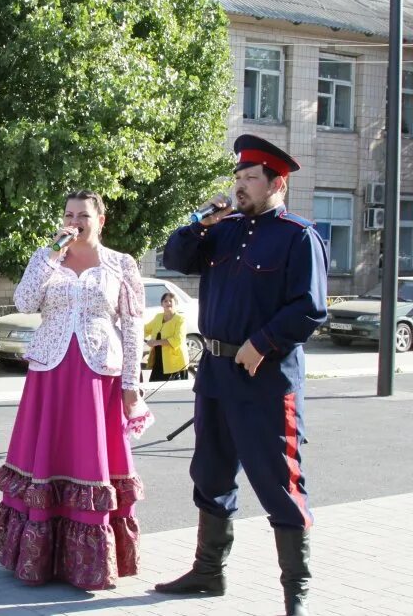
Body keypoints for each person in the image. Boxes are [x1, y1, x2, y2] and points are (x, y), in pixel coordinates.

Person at [154, 134, 327, 616]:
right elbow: (174, 259)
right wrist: (199, 221)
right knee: (210, 474)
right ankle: (209, 573)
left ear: (279, 183)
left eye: (251, 178)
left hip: (266, 380)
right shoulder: (224, 230)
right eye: (238, 178)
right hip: (214, 374)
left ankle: (297, 593)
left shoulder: (297, 235)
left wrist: (262, 343)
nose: (240, 187)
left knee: (279, 483)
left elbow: (309, 309)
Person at [0, 190, 145, 589]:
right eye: (68, 214)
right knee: (47, 454)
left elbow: (132, 327)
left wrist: (131, 385)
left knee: (91, 457)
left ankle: (89, 561)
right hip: (50, 374)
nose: (74, 222)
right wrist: (48, 256)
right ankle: (39, 555)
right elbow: (25, 301)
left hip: (98, 375)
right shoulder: (47, 259)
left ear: (101, 220)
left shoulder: (121, 264)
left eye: (83, 216)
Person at [143, 292, 189, 381]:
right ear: (162, 304)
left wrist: (156, 342)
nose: (168, 303)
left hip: (175, 363)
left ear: (175, 303)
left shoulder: (180, 320)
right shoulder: (158, 317)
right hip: (159, 362)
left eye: (170, 301)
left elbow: (177, 340)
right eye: (165, 301)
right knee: (154, 388)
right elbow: (145, 329)